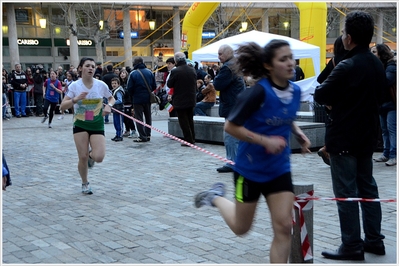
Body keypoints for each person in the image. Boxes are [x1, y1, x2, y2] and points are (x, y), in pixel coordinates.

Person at [194, 40, 311, 263]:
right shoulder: (257, 93)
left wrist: (297, 132)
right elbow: (230, 127)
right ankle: (216, 197)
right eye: (283, 59)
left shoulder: (295, 91)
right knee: (241, 228)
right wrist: (264, 141)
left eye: (291, 58)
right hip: (249, 172)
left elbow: (284, 115)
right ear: (268, 65)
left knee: (284, 227)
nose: (290, 63)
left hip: (279, 170)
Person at [314, 11, 386, 261]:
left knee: (346, 192)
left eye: (344, 33)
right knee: (368, 188)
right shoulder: (376, 63)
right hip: (367, 136)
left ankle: (352, 244)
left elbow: (321, 94)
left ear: (350, 38)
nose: (343, 36)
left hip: (344, 136)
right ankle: (375, 240)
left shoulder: (347, 65)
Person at [60, 57, 115, 195]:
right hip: (80, 124)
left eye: (93, 66)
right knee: (82, 156)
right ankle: (85, 183)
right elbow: (62, 106)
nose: (91, 68)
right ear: (80, 68)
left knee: (99, 157)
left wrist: (109, 106)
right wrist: (75, 99)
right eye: (87, 66)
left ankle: (91, 157)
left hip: (96, 123)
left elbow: (111, 98)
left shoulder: (101, 85)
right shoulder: (74, 86)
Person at [213, 44, 245, 173]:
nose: (219, 56)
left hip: (232, 105)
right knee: (235, 135)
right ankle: (237, 161)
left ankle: (232, 162)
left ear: (227, 53)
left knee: (230, 136)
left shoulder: (228, 68)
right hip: (237, 104)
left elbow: (217, 84)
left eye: (220, 54)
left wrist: (217, 75)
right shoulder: (235, 64)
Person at [316, 35, 347, 165]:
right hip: (346, 100)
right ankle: (329, 148)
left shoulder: (334, 61)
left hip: (333, 101)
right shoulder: (350, 60)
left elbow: (320, 79)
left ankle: (327, 148)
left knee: (333, 125)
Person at [371, 44, 397, 166]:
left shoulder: (391, 66)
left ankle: (394, 155)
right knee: (384, 130)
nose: (372, 54)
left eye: (374, 52)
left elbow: (387, 81)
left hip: (391, 103)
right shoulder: (378, 66)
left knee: (392, 129)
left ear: (381, 54)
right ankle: (386, 154)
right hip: (381, 103)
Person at [167, 52, 197, 146]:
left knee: (183, 121)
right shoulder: (192, 69)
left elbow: (169, 84)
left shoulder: (175, 71)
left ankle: (188, 140)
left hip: (180, 99)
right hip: (191, 98)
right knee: (190, 119)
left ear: (175, 61)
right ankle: (192, 138)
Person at [127, 57, 156, 143]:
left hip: (137, 99)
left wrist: (133, 95)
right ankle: (148, 134)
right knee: (148, 117)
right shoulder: (149, 72)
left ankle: (142, 136)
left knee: (139, 118)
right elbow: (154, 86)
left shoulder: (133, 73)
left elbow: (129, 88)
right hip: (147, 98)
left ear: (135, 63)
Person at [119, 69, 137, 138]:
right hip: (123, 102)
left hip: (129, 102)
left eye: (123, 73)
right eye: (121, 73)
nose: (122, 74)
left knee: (129, 117)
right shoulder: (121, 83)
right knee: (124, 118)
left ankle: (133, 131)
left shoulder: (128, 82)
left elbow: (129, 92)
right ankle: (127, 130)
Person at [110, 77, 125, 142]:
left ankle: (120, 135)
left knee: (119, 124)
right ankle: (117, 134)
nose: (113, 85)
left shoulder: (118, 91)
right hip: (115, 110)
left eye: (115, 83)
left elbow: (120, 100)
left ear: (118, 84)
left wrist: (112, 102)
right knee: (116, 123)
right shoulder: (113, 91)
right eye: (112, 83)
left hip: (119, 110)